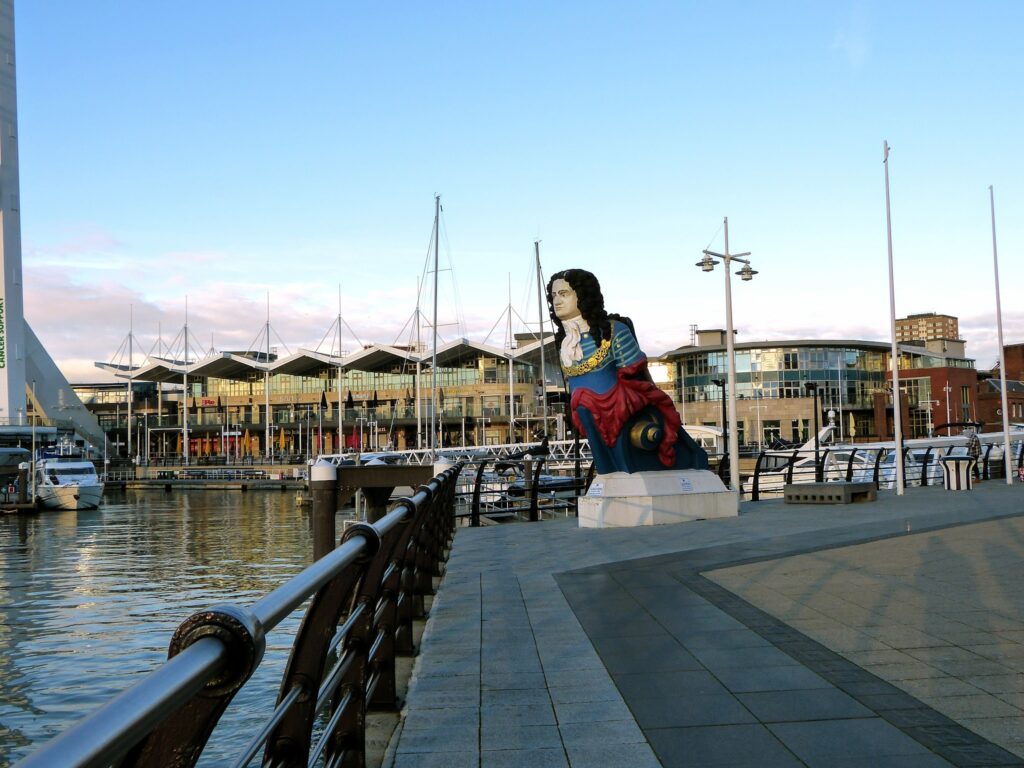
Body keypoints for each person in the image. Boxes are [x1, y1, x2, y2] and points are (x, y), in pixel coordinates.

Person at [546, 268, 708, 475]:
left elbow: (635, 372)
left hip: (617, 404)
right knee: (583, 405)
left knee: (585, 403)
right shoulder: (565, 343)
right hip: (585, 408)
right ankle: (610, 472)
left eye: (564, 293)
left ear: (583, 295)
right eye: (554, 295)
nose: (557, 300)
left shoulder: (613, 331)